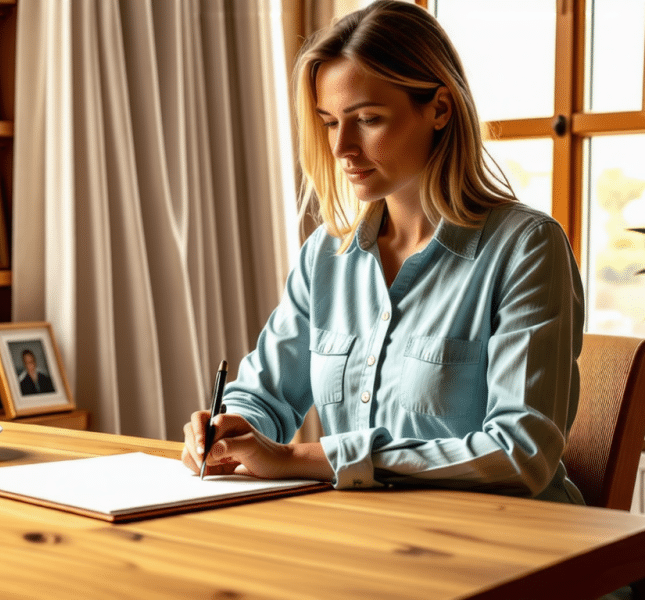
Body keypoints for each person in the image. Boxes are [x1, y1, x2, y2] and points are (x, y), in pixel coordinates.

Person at [182, 1, 585, 505]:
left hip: (515, 552)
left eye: (367, 119)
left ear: (440, 108)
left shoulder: (526, 248)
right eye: (330, 123)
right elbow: (263, 394)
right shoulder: (326, 256)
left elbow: (520, 453)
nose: (341, 148)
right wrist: (231, 428)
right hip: (371, 538)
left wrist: (299, 459)